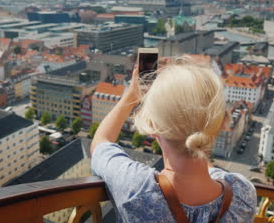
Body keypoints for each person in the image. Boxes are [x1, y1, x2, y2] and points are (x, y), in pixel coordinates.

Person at [90, 58, 257, 222]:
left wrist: (131, 97)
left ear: (152, 125)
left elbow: (100, 143)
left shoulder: (137, 189)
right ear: (221, 123)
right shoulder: (243, 196)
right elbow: (206, 167)